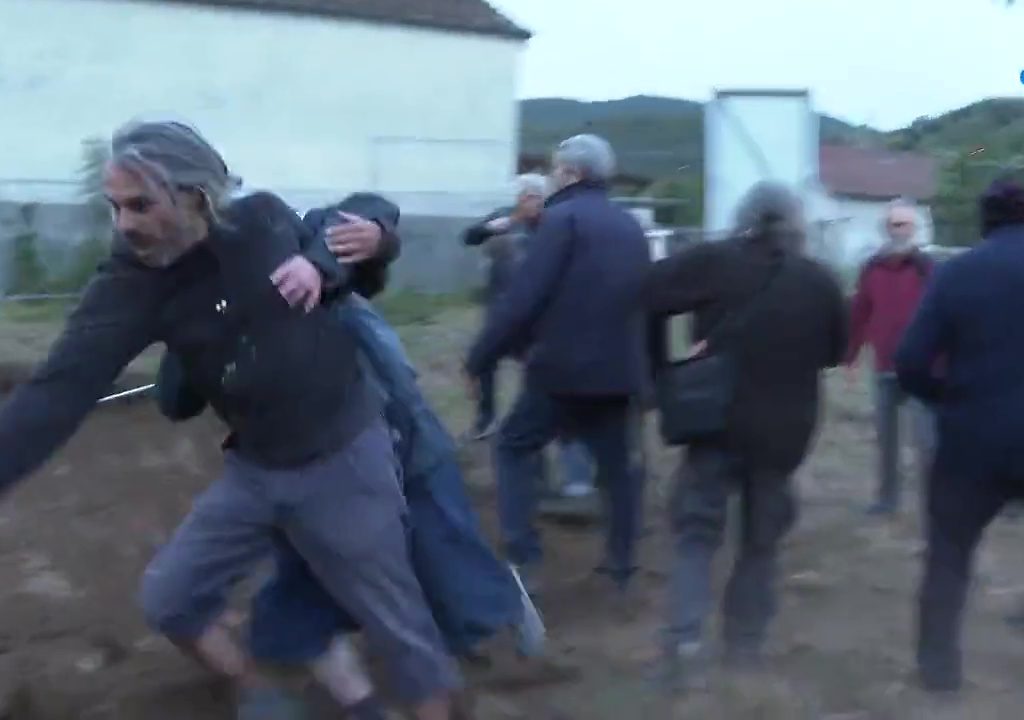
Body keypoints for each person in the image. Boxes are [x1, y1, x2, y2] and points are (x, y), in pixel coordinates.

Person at [0, 121, 460, 720]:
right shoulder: (132, 282)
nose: (125, 224)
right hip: (255, 469)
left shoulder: (263, 222)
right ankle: (256, 693)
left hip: (344, 457)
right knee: (171, 600)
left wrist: (374, 242)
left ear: (196, 195)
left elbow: (352, 233)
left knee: (401, 632)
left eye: (141, 205)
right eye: (114, 206)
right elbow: (59, 388)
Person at [156, 193, 545, 718]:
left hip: (400, 445)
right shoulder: (201, 307)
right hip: (305, 467)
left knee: (448, 574)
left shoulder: (284, 239)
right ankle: (367, 702)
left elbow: (360, 216)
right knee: (296, 609)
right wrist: (185, 347)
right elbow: (178, 397)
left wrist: (372, 237)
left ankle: (499, 628)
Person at [645, 182, 847, 692]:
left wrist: (662, 371)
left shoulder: (712, 261)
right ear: (796, 222)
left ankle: (685, 644)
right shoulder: (820, 280)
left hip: (715, 424)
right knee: (761, 545)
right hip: (784, 434)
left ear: (744, 217)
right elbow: (833, 354)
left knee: (695, 537)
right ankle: (745, 650)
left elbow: (645, 297)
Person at [464, 134, 651, 596]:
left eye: (553, 169)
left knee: (512, 446)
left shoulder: (560, 220)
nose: (549, 177)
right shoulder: (630, 226)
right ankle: (622, 567)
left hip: (561, 371)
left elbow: (524, 299)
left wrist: (479, 357)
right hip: (617, 372)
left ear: (571, 173)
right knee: (618, 471)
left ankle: (525, 557)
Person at [895, 177, 1024, 693]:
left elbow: (909, 361)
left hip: (972, 437)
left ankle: (939, 676)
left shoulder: (958, 273)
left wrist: (946, 396)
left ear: (984, 219)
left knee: (948, 555)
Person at [462, 174, 597, 501]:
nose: (531, 201)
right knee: (487, 367)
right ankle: (486, 418)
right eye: (526, 196)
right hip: (504, 314)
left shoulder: (556, 225)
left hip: (543, 324)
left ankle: (566, 480)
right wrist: (503, 223)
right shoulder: (505, 219)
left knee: (546, 396)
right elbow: (470, 236)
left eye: (536, 196)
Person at [846, 198, 936, 517]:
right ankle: (887, 499)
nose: (899, 230)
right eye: (894, 224)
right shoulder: (870, 268)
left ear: (914, 229)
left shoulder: (929, 268)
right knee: (886, 442)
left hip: (920, 371)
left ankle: (934, 506)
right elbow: (860, 312)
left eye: (906, 224)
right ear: (885, 228)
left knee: (926, 443)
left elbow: (945, 315)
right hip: (884, 369)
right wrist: (851, 356)